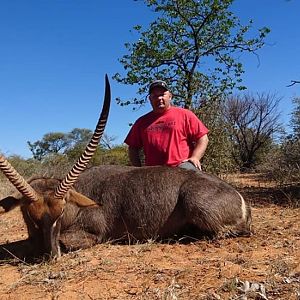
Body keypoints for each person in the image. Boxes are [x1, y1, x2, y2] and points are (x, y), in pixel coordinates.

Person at [124, 80, 209, 171]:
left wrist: (195, 157)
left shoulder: (185, 114)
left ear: (170, 96)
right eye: (155, 96)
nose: (159, 98)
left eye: (162, 94)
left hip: (180, 166)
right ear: (150, 99)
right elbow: (132, 147)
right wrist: (138, 170)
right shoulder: (141, 122)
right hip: (152, 171)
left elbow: (203, 138)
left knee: (191, 174)